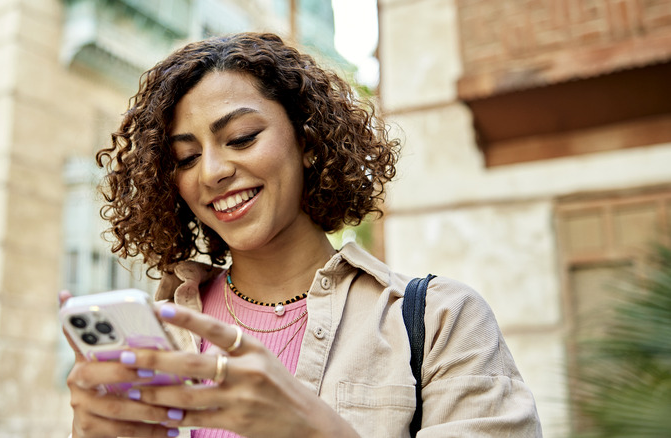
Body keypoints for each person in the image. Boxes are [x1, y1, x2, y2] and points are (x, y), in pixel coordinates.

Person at [60, 32, 542, 438]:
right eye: (185, 158)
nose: (212, 172)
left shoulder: (438, 320)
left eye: (242, 138)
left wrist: (311, 430)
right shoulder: (160, 336)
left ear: (308, 142)